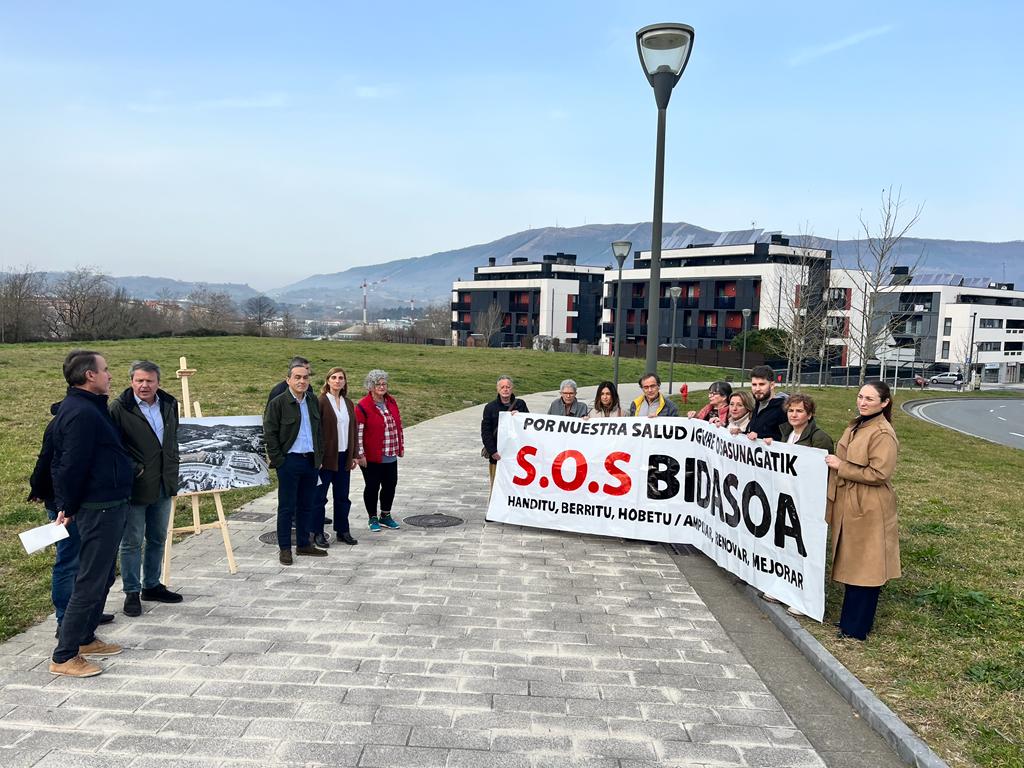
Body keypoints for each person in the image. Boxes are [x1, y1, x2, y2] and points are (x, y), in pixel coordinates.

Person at [49, 350, 134, 678]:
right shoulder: (81, 413)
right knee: (89, 580)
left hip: (110, 503)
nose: (110, 375)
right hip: (98, 508)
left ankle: (84, 638)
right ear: (89, 376)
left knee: (102, 576)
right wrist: (66, 506)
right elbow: (70, 465)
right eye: (106, 370)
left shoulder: (90, 408)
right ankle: (65, 654)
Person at [28, 401, 114, 638]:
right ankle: (65, 620)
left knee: (83, 561)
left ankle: (83, 614)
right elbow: (49, 460)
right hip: (65, 505)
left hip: (78, 502)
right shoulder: (63, 425)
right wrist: (44, 492)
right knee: (69, 560)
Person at [824, 381, 900, 641]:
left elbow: (879, 473)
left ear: (884, 402)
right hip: (851, 501)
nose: (863, 402)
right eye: (860, 396)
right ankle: (849, 620)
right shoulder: (859, 424)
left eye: (869, 398)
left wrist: (841, 466)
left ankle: (856, 628)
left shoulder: (882, 433)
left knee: (866, 567)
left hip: (868, 506)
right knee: (852, 563)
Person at [109, 361, 182, 617]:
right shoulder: (120, 408)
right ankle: (131, 590)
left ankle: (152, 585)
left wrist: (173, 468)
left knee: (158, 537)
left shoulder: (169, 404)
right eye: (139, 380)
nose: (144, 385)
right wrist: (135, 469)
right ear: (131, 381)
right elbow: (113, 446)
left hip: (163, 482)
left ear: (158, 383)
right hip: (135, 485)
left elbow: (172, 440)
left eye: (149, 381)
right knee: (131, 542)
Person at [264, 361, 326, 565]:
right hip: (289, 462)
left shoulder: (312, 401)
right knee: (287, 507)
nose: (302, 381)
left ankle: (303, 544)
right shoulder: (278, 403)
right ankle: (284, 549)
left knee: (306, 506)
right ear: (288, 380)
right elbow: (270, 433)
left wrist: (318, 458)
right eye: (297, 377)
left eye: (305, 377)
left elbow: (318, 432)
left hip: (310, 462)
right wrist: (279, 460)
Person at [355, 369, 404, 532]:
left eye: (384, 383)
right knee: (372, 486)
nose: (382, 386)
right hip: (372, 456)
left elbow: (398, 425)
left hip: (390, 453)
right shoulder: (363, 406)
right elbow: (358, 432)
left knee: (390, 485)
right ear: (370, 386)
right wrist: (359, 454)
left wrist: (400, 447)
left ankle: (385, 515)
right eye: (378, 384)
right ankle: (372, 517)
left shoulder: (391, 402)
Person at [316, 367, 358, 547]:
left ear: (344, 382)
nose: (337, 381)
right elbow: (315, 431)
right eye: (333, 377)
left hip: (344, 457)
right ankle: (317, 533)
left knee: (342, 497)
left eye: (341, 378)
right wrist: (316, 458)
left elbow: (353, 430)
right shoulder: (321, 401)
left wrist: (355, 454)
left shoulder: (348, 403)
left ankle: (343, 531)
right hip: (326, 459)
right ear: (327, 381)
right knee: (319, 497)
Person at [481, 375, 529, 490]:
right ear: (498, 389)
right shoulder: (490, 407)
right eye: (502, 387)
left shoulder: (520, 404)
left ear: (512, 389)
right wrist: (493, 452)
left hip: (516, 457)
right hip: (497, 456)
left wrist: (520, 416)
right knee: (497, 488)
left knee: (515, 488)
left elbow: (529, 426)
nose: (505, 389)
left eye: (508, 387)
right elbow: (486, 432)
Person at [746, 365, 788, 441]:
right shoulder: (756, 405)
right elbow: (754, 432)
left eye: (762, 384)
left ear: (772, 385)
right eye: (754, 384)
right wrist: (740, 433)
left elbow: (788, 437)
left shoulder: (783, 408)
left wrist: (772, 440)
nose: (757, 389)